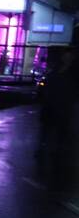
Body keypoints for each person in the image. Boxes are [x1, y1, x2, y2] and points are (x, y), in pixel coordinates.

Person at [38, 48, 77, 190]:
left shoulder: (72, 72)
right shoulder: (57, 69)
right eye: (66, 55)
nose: (67, 58)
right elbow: (48, 84)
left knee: (61, 128)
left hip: (64, 105)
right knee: (47, 127)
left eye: (69, 55)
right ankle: (44, 148)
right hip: (52, 104)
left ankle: (58, 151)